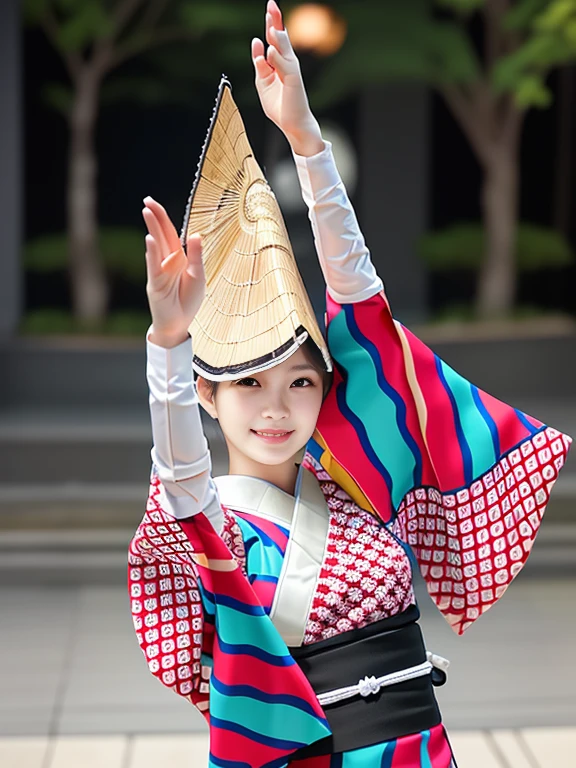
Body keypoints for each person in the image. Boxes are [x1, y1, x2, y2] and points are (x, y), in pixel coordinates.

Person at [128, 2, 571, 766]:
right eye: (250, 386)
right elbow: (181, 477)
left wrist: (305, 141)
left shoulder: (359, 478)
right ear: (208, 395)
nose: (277, 407)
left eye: (301, 383)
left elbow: (361, 301)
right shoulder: (211, 527)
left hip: (424, 749)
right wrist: (169, 344)